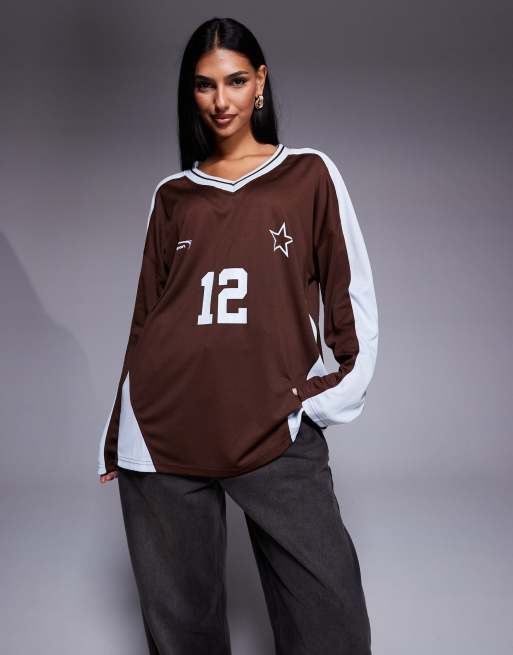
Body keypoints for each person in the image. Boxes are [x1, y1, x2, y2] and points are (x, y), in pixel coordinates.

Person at [97, 16, 379, 655]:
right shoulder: (172, 195)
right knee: (184, 637)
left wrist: (316, 399)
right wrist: (117, 435)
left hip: (272, 423)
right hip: (164, 434)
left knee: (331, 624)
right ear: (191, 93)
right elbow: (146, 319)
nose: (220, 100)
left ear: (260, 83)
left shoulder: (308, 175)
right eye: (204, 85)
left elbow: (353, 299)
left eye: (235, 81)